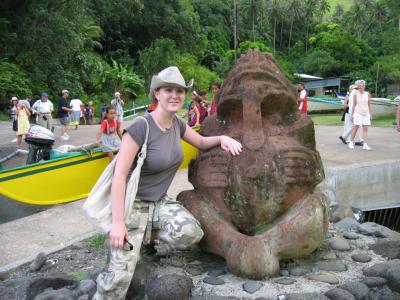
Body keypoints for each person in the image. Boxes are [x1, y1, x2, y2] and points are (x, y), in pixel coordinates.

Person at [93, 66, 242, 299]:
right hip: (133, 204)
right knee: (117, 283)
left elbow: (201, 142)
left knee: (191, 232)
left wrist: (223, 138)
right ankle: (126, 241)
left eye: (180, 91)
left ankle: (146, 237)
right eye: (168, 90)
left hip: (159, 203)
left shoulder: (177, 124)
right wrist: (119, 222)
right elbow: (119, 175)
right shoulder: (141, 127)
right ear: (157, 94)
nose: (175, 95)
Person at [349, 80, 372, 150]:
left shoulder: (367, 94)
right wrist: (352, 115)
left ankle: (365, 144)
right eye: (358, 86)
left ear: (364, 86)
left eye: (361, 86)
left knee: (366, 129)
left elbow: (369, 105)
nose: (360, 87)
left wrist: (370, 114)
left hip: (366, 113)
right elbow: (354, 105)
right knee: (356, 127)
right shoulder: (355, 94)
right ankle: (351, 142)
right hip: (357, 113)